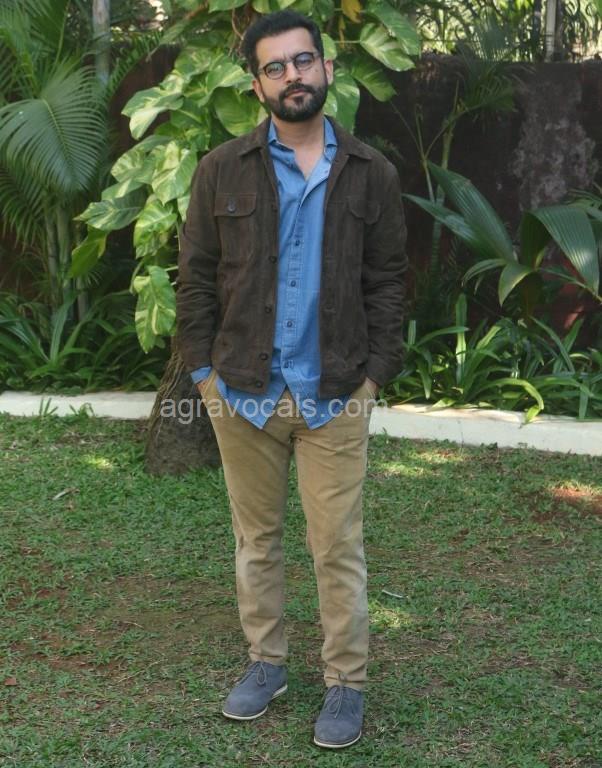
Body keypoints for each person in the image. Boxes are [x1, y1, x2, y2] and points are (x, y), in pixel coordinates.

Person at [176, 9, 407, 749]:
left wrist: (373, 379)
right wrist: (205, 375)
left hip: (335, 394)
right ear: (257, 85)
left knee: (336, 547)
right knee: (256, 541)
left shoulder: (371, 173)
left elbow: (389, 282)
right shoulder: (221, 169)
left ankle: (346, 682)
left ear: (327, 68)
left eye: (302, 61)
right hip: (241, 393)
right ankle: (267, 663)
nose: (292, 76)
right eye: (274, 67)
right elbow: (196, 278)